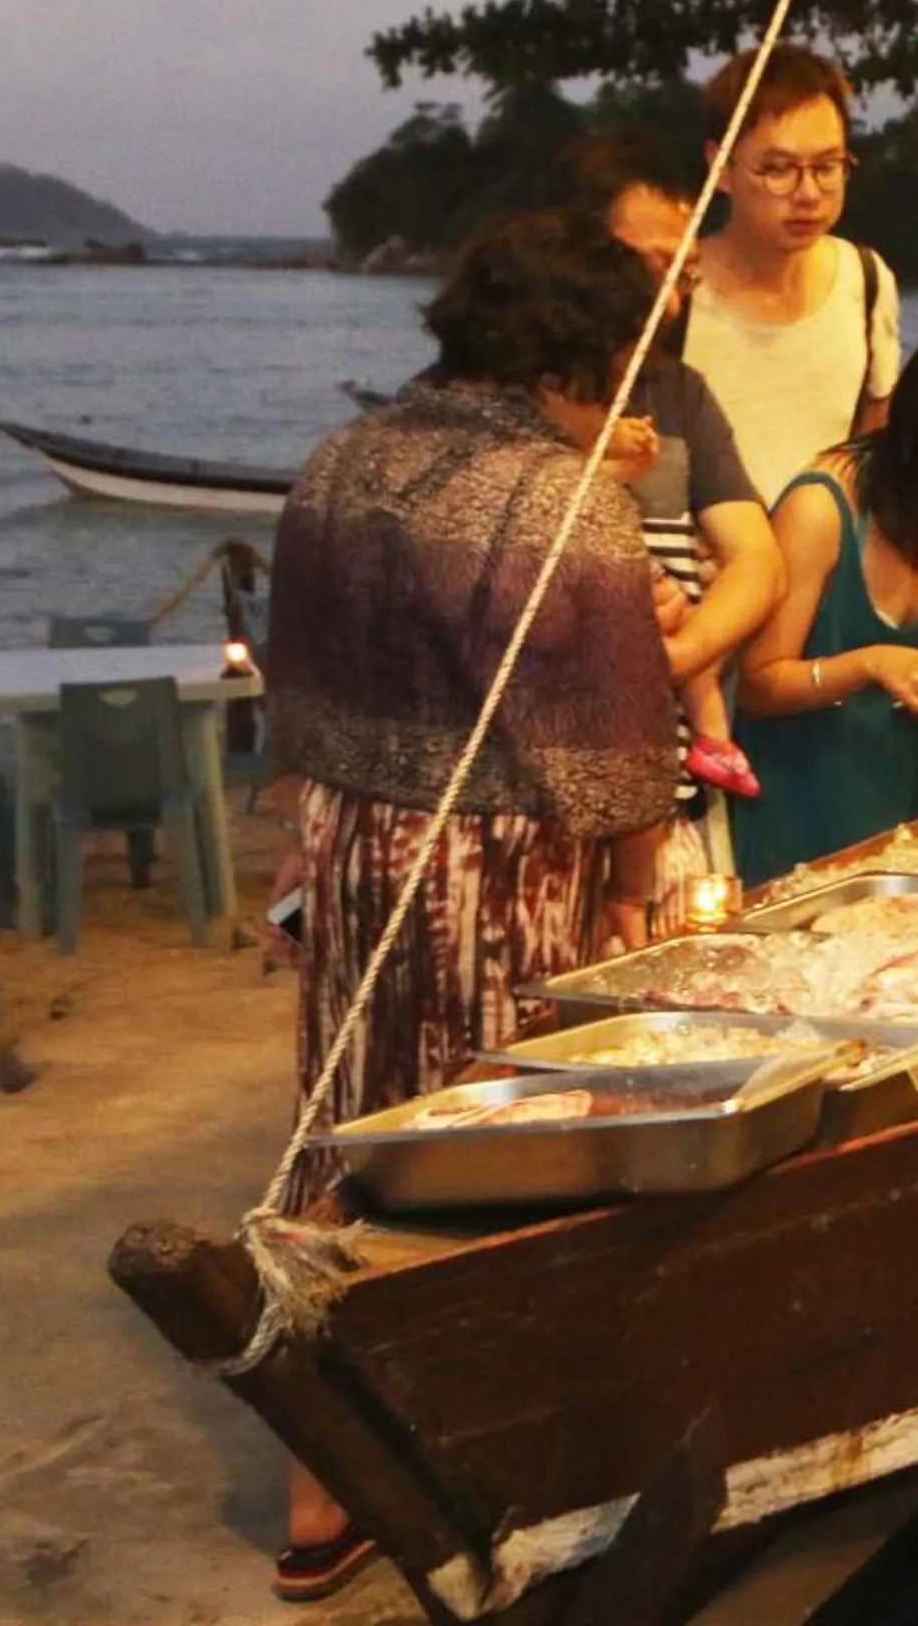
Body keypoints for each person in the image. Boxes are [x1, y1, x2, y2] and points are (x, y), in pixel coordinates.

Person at [259, 212, 684, 1603]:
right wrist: (635, 888)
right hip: (495, 867)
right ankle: (488, 1468)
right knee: (491, 1151)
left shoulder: (341, 458)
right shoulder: (561, 496)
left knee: (351, 1132)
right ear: (576, 354)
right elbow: (619, 736)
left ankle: (321, 1484)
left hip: (351, 841)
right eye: (627, 354)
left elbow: (300, 681)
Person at [546, 135, 789, 868]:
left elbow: (757, 559)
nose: (670, 294)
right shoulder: (515, 392)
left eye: (684, 273)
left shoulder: (679, 392)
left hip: (668, 773)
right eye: (649, 263)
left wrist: (682, 653)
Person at [730, 327, 918, 887]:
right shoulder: (821, 509)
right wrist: (870, 663)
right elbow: (758, 684)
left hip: (903, 823)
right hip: (793, 824)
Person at [681, 44, 902, 498]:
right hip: (710, 564)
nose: (807, 193)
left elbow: (872, 446)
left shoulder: (866, 279)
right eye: (778, 169)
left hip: (827, 561)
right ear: (721, 168)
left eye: (827, 167)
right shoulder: (676, 291)